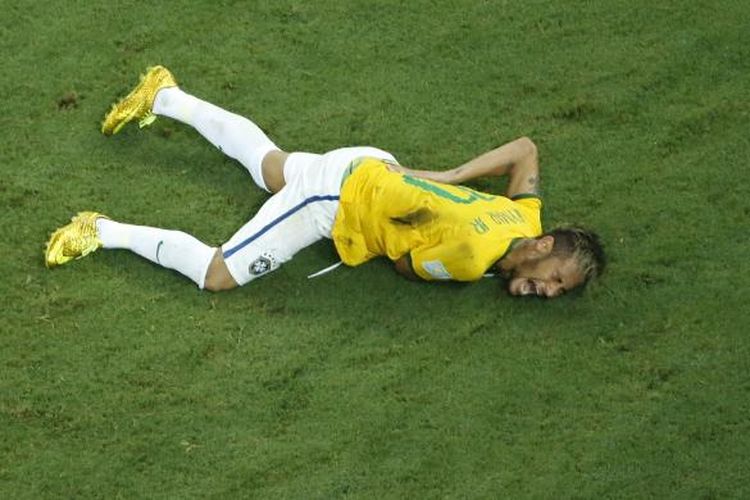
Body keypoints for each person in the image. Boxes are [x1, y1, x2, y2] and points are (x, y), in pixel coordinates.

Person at [45, 66, 605, 298]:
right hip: (335, 199)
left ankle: (163, 94)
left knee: (269, 165)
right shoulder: (466, 260)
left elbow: (525, 149)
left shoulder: (525, 215)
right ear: (542, 245)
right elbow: (408, 266)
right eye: (553, 277)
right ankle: (99, 229)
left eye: (560, 290)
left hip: (371, 163)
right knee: (218, 274)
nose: (549, 291)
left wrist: (451, 176)